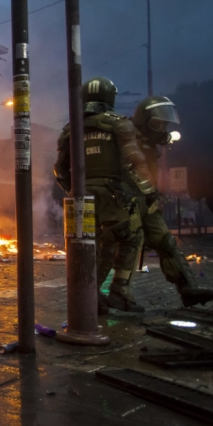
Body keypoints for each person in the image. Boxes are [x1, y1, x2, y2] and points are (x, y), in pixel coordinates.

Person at [54, 77, 156, 313]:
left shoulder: (71, 130)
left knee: (89, 244)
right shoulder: (118, 124)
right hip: (111, 195)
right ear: (111, 97)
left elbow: (59, 169)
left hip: (80, 197)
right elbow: (135, 161)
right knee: (130, 236)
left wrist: (74, 191)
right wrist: (150, 192)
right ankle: (119, 291)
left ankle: (90, 294)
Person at [129, 96, 213, 307]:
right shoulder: (126, 138)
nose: (162, 128)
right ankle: (102, 293)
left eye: (164, 124)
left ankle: (187, 288)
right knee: (121, 248)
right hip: (126, 204)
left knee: (167, 242)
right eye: (158, 124)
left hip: (146, 202)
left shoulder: (148, 143)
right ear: (145, 121)